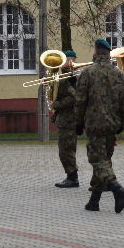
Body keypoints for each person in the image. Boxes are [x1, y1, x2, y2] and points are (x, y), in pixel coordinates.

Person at [74, 39, 124, 213]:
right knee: (104, 159)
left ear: (96, 53)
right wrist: (123, 122)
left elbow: (80, 101)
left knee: (97, 160)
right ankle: (94, 201)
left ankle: (116, 187)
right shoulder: (118, 74)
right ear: (109, 54)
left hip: (94, 123)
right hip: (112, 123)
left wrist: (78, 122)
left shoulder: (88, 73)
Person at [52, 50, 79, 188]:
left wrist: (55, 104)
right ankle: (71, 176)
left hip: (70, 119)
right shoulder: (63, 76)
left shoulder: (73, 77)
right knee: (64, 149)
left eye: (64, 60)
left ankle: (72, 178)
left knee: (66, 150)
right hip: (64, 119)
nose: (61, 63)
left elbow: (74, 98)